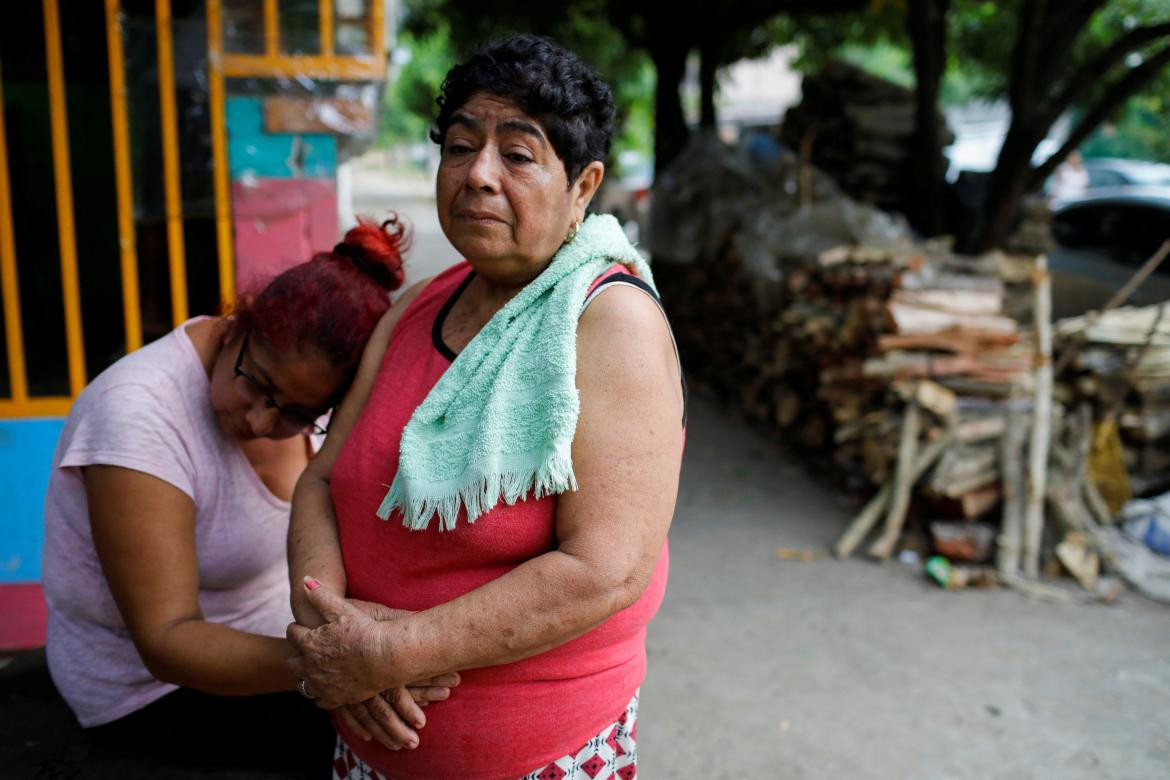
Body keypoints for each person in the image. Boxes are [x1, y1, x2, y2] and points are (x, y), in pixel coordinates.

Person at [286, 35, 686, 780]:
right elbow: (318, 481)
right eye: (461, 146)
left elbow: (605, 570)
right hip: (367, 746)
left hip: (541, 758)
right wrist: (329, 624)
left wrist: (393, 654)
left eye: (519, 154)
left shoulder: (609, 323)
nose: (478, 175)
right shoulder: (418, 310)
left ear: (584, 184)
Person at [41, 218, 455, 777]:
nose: (260, 421)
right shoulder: (137, 417)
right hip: (146, 693)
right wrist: (341, 664)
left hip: (276, 649)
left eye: (295, 414)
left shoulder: (311, 408)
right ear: (238, 321)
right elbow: (166, 642)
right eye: (256, 384)